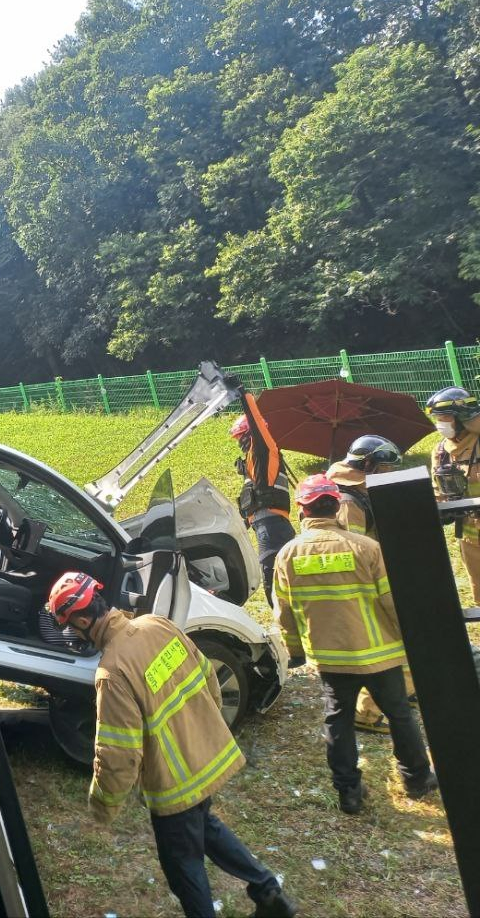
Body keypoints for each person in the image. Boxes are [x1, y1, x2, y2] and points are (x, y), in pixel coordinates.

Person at [47, 571, 297, 918]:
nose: (72, 633)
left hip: (175, 788)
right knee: (206, 828)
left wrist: (103, 805)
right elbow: (208, 676)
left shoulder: (113, 671)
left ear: (85, 619)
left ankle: (261, 897)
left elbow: (118, 753)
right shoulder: (157, 626)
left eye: (71, 626)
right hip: (204, 759)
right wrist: (206, 729)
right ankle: (270, 894)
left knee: (184, 871)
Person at [273, 475, 436, 814]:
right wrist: (413, 642)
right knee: (400, 716)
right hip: (380, 655)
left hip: (331, 660)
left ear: (302, 511)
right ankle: (417, 780)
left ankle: (348, 792)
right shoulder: (367, 548)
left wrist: (295, 652)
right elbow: (393, 602)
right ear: (337, 507)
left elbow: (284, 612)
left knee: (338, 721)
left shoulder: (287, 555)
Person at [325, 435, 409, 734]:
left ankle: (399, 694)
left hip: (371, 579)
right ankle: (368, 712)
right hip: (366, 585)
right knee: (394, 642)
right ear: (368, 464)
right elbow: (355, 552)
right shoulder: (350, 502)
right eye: (384, 468)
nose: (387, 474)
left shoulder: (354, 488)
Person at [231, 392, 295, 606]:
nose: (239, 442)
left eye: (241, 437)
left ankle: (283, 616)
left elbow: (256, 421)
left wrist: (243, 395)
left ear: (249, 435)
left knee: (273, 574)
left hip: (272, 526)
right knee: (276, 573)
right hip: (266, 524)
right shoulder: (253, 462)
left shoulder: (263, 450)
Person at [426, 386, 480, 600]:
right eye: (438, 418)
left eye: (445, 417)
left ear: (462, 417)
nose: (440, 424)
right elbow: (437, 491)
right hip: (470, 537)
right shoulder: (440, 452)